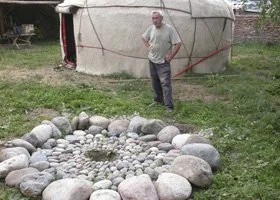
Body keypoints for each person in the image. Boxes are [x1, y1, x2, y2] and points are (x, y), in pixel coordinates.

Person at [142, 10, 182, 112]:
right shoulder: (151, 28)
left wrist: (171, 56)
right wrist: (148, 46)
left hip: (163, 62)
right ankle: (158, 100)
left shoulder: (169, 29)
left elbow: (178, 43)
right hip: (152, 59)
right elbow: (143, 38)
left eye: (156, 18)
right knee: (155, 82)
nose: (154, 20)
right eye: (153, 18)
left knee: (165, 84)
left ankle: (169, 106)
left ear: (161, 18)